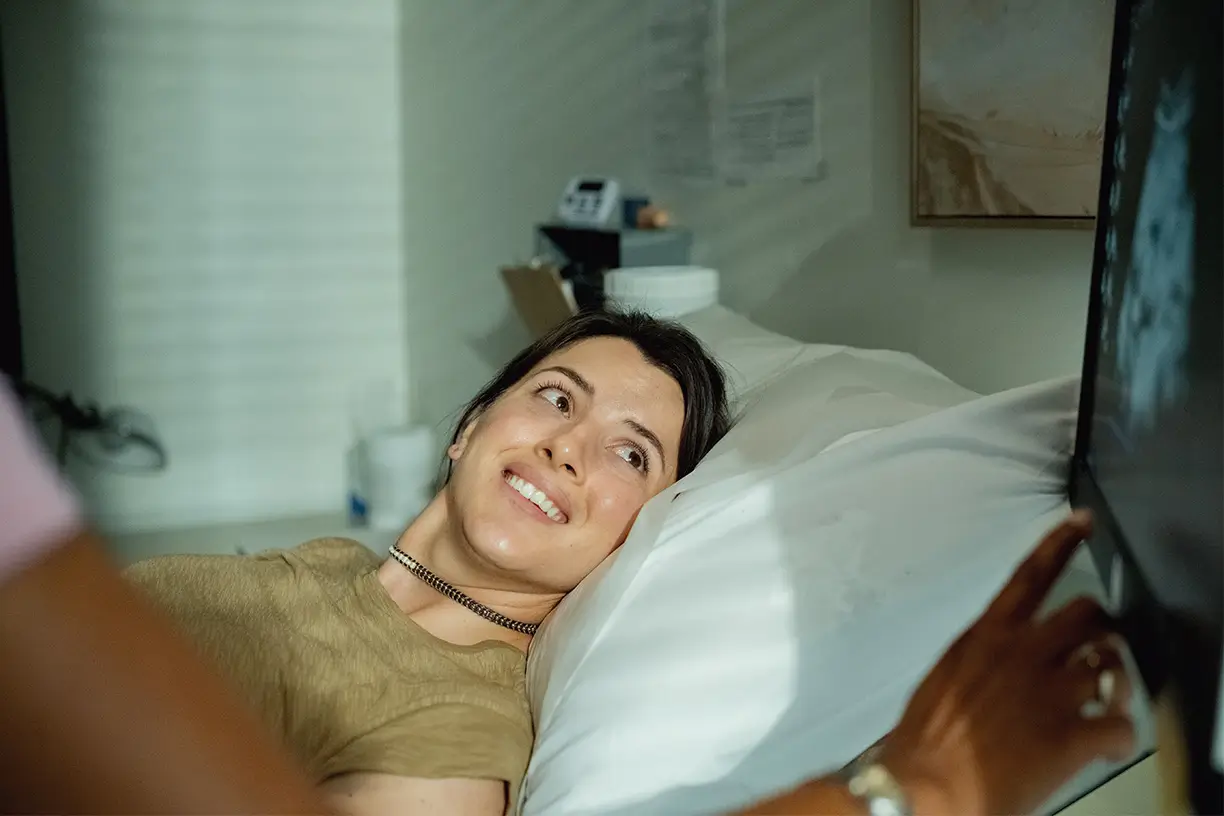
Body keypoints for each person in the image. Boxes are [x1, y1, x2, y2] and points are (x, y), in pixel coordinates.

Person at [0, 310, 1135, 815]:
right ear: (465, 427)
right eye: (554, 396)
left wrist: (908, 796)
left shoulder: (452, 728)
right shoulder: (320, 567)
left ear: (636, 529)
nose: (566, 446)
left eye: (629, 453)